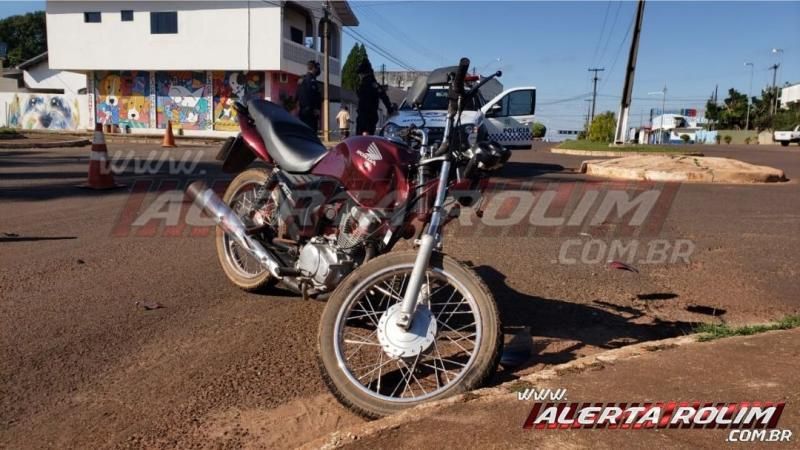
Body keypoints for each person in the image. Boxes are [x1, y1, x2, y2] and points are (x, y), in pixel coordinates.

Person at [356, 60, 393, 135]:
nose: (360, 76)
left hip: (365, 117)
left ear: (363, 73)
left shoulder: (365, 85)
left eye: (360, 74)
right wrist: (390, 109)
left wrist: (390, 108)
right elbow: (384, 96)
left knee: (362, 140)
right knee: (367, 139)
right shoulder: (374, 85)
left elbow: (363, 102)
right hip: (370, 117)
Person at [297, 60, 322, 133]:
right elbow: (312, 96)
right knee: (311, 134)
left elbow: (297, 96)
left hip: (303, 112)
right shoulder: (311, 80)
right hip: (310, 113)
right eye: (317, 68)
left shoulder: (302, 79)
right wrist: (315, 109)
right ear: (314, 68)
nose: (318, 70)